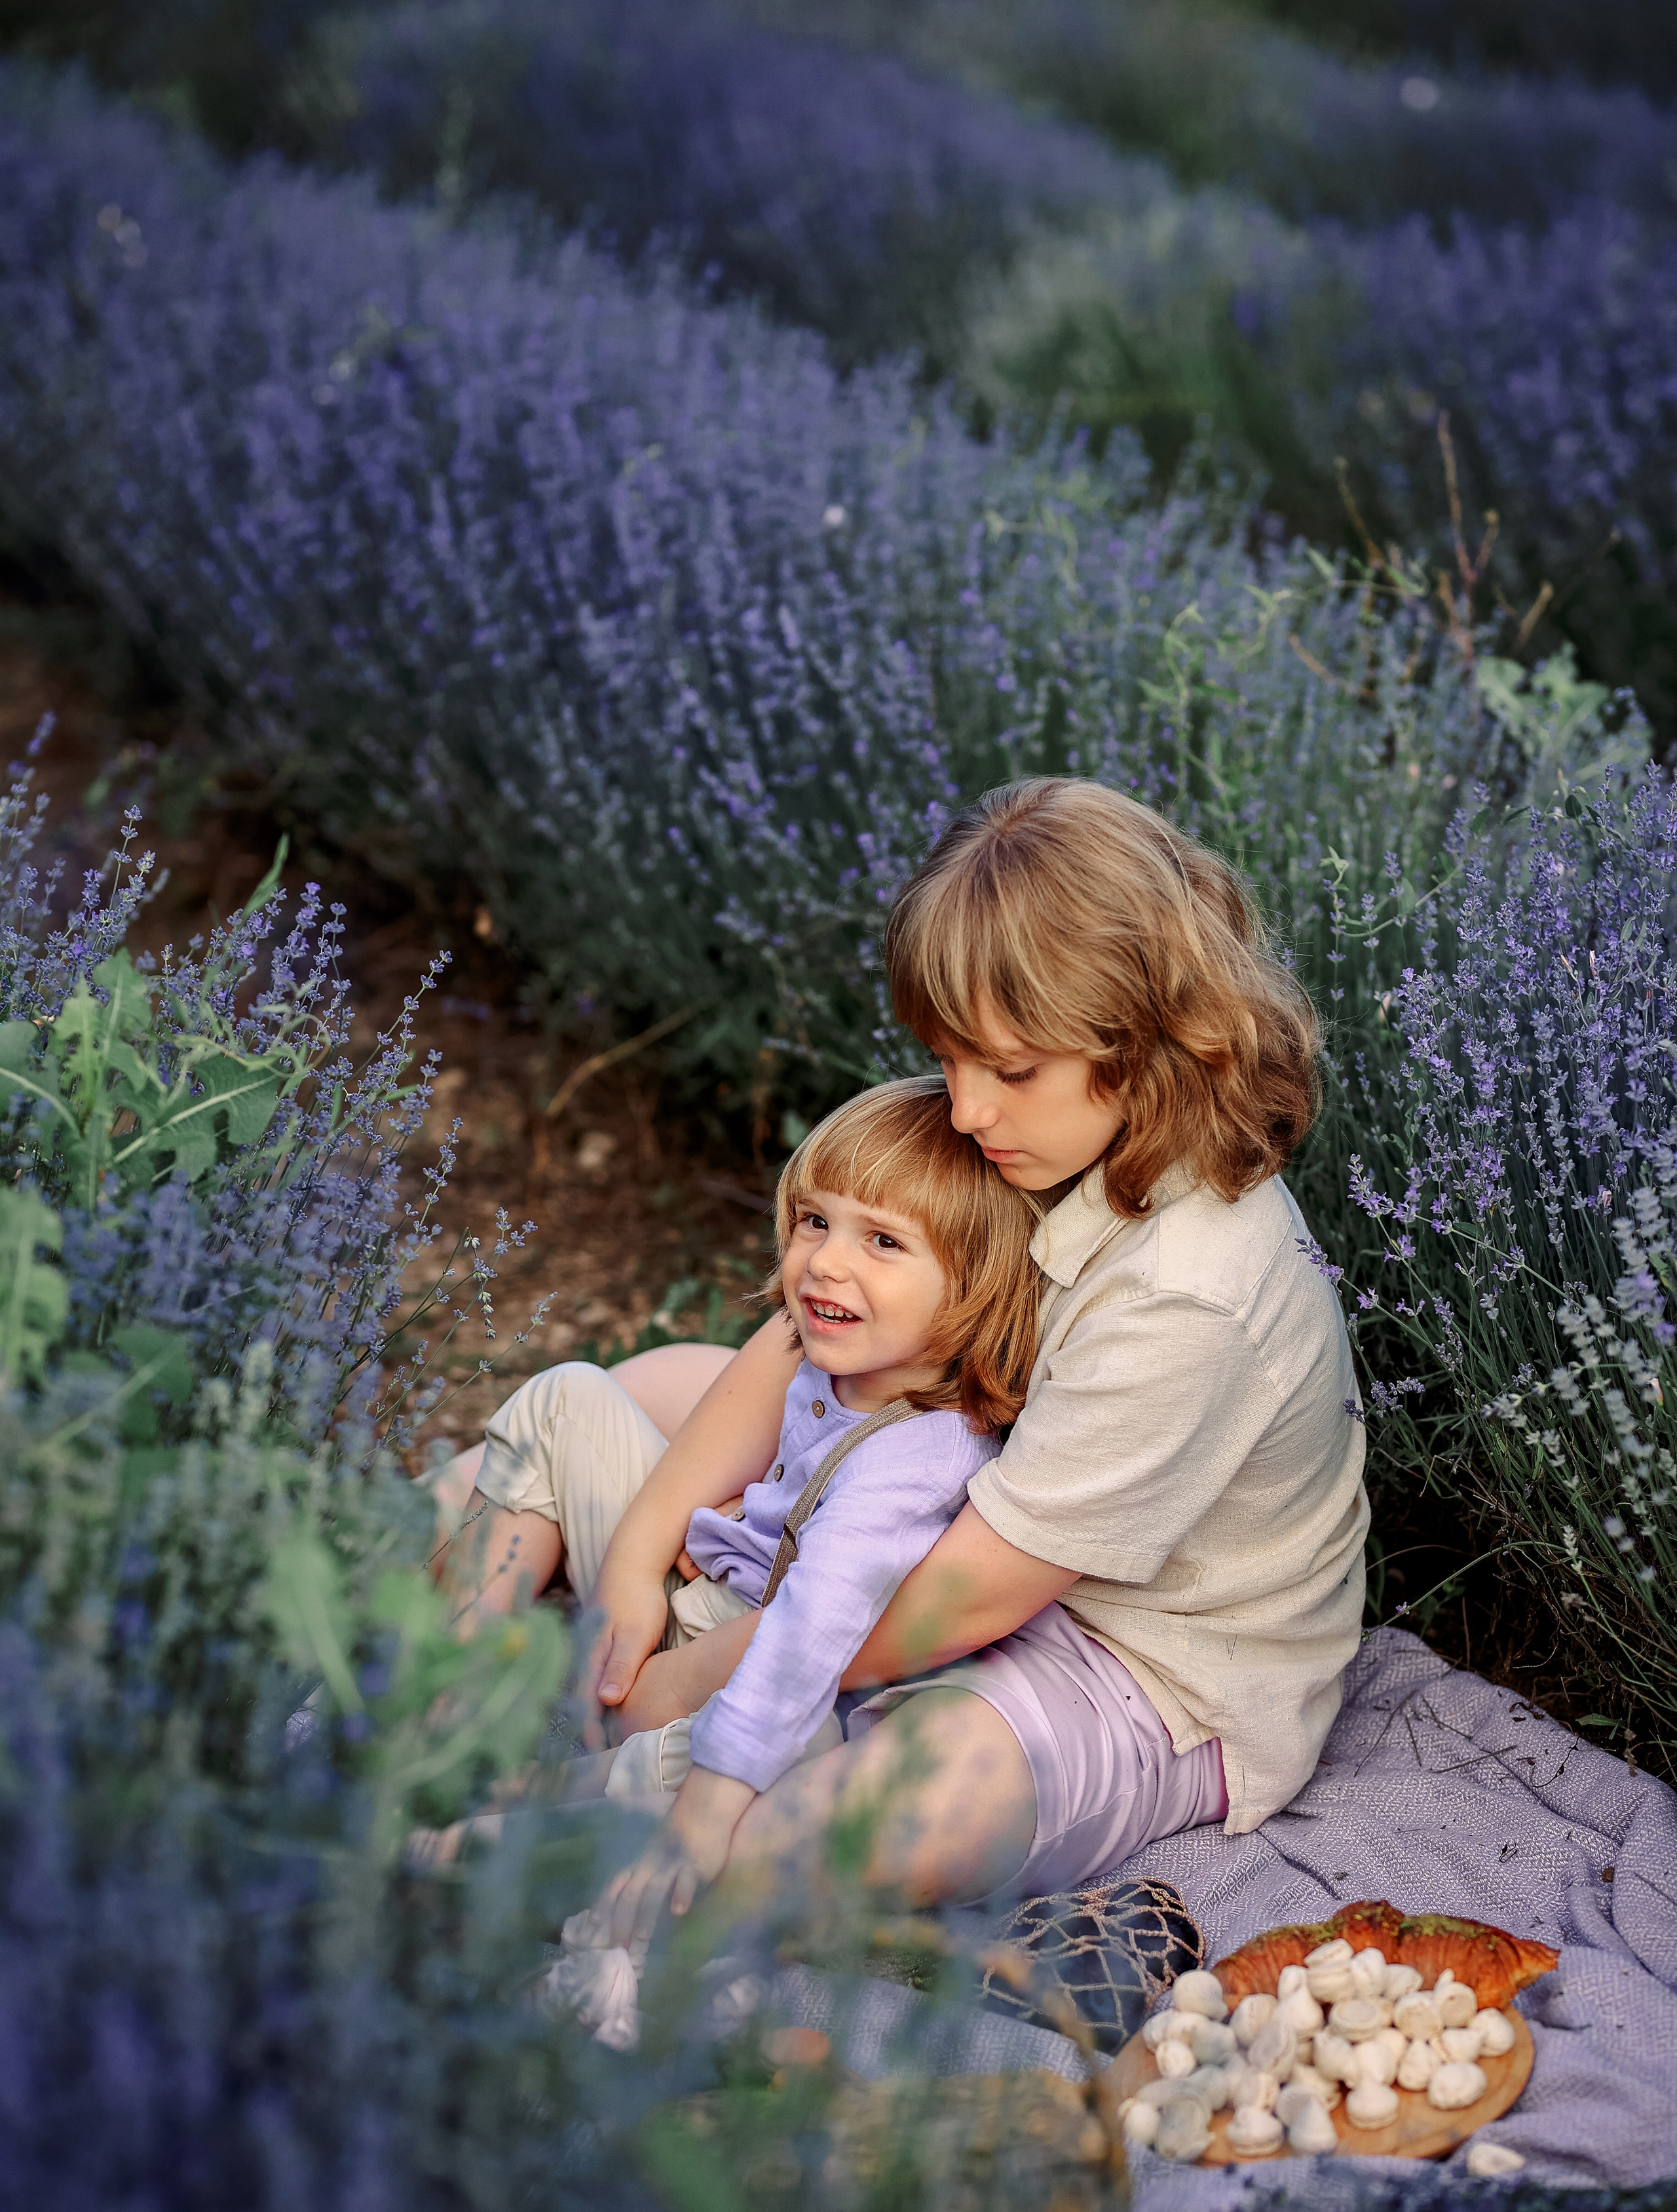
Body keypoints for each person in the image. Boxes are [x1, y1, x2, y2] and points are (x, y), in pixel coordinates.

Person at [576, 776, 1370, 1952]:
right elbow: (798, 1340)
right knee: (642, 1389)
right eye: (947, 1059)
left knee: (909, 1801)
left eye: (1006, 1068)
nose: (963, 1108)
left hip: (1143, 1654)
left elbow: (967, 1599)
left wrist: (698, 1690)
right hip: (955, 1481)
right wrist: (643, 1557)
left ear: (1150, 1039)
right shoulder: (1057, 1125)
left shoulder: (1188, 1294)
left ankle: (553, 1879)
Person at [437, 1072, 1042, 1937]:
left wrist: (698, 1732)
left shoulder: (918, 1457)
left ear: (975, 1289)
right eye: (816, 1221)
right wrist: (680, 1548)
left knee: (798, 1744)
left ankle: (565, 1800)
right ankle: (457, 1680)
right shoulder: (840, 1361)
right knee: (567, 1397)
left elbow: (804, 1640)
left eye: (883, 1243)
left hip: (748, 1668)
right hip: (696, 1607)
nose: (826, 1261)